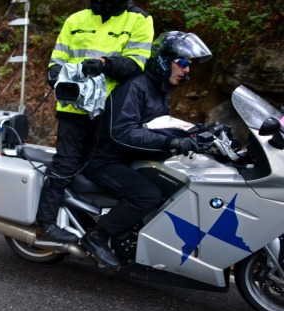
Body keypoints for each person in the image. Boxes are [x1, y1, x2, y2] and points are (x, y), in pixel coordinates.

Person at [81, 31, 213, 268]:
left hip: (132, 158)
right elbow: (122, 132)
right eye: (182, 63)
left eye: (190, 66)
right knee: (148, 194)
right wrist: (168, 143)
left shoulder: (159, 89)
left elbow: (159, 126)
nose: (187, 70)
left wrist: (199, 132)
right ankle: (97, 236)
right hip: (106, 161)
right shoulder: (136, 87)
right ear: (164, 60)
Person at [35, 0, 154, 243]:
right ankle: (45, 223)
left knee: (101, 170)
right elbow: (57, 58)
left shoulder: (139, 20)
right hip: (72, 109)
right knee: (65, 166)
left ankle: (93, 226)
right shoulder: (75, 19)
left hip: (111, 113)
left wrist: (105, 65)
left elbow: (137, 64)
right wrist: (55, 74)